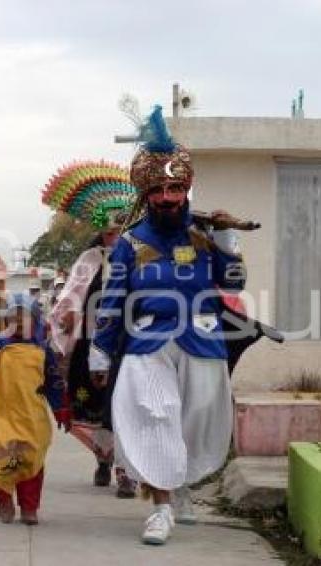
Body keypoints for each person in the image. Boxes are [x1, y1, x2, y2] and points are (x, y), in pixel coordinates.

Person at [88, 106, 246, 545]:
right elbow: (113, 298)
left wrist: (227, 242)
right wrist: (99, 351)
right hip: (148, 343)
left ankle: (180, 491)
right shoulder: (132, 242)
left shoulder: (205, 233)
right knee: (155, 416)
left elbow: (234, 282)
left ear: (187, 188)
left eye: (176, 188)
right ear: (147, 192)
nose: (168, 198)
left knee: (194, 422)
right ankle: (159, 508)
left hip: (203, 339)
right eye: (159, 190)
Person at [42, 160, 139, 497]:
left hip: (129, 342)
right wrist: (67, 318)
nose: (114, 236)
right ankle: (103, 459)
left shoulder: (141, 257)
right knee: (95, 406)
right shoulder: (90, 259)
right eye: (109, 231)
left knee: (125, 406)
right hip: (90, 344)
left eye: (119, 229)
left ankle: (126, 471)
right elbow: (72, 295)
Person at [0, 297, 69, 525]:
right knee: (2, 458)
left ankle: (29, 507)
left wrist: (61, 408)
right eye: (13, 318)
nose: (19, 324)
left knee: (31, 460)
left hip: (32, 416)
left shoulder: (43, 350)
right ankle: (4, 502)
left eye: (24, 318)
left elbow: (53, 381)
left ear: (35, 321)